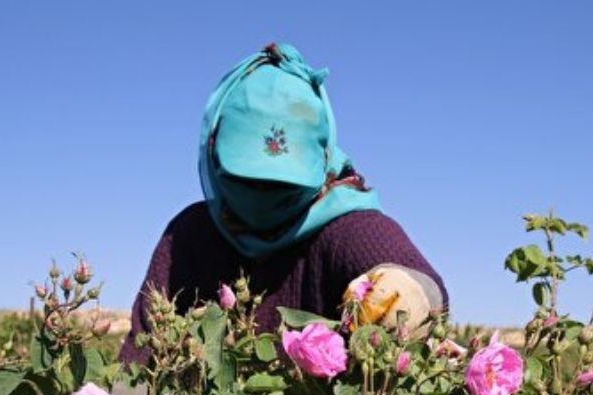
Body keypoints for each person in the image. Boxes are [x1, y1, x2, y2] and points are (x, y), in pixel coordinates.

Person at [117, 42, 446, 366]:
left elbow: (425, 286)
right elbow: (139, 361)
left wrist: (408, 290)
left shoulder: (344, 228)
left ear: (324, 161)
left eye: (281, 186)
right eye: (247, 180)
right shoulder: (191, 236)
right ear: (214, 152)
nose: (262, 195)